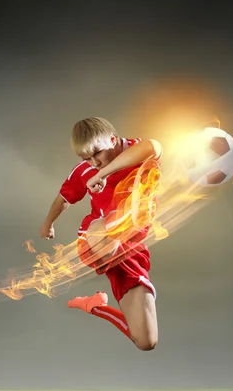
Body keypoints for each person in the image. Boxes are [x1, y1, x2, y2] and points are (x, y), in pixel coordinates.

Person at [39, 117, 162, 351]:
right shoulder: (84, 170)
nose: (93, 163)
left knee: (146, 341)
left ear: (113, 140)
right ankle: (109, 242)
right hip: (96, 235)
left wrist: (103, 173)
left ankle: (95, 306)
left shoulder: (136, 150)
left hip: (131, 251)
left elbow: (153, 147)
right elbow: (63, 199)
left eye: (98, 154)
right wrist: (48, 223)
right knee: (107, 227)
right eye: (86, 159)